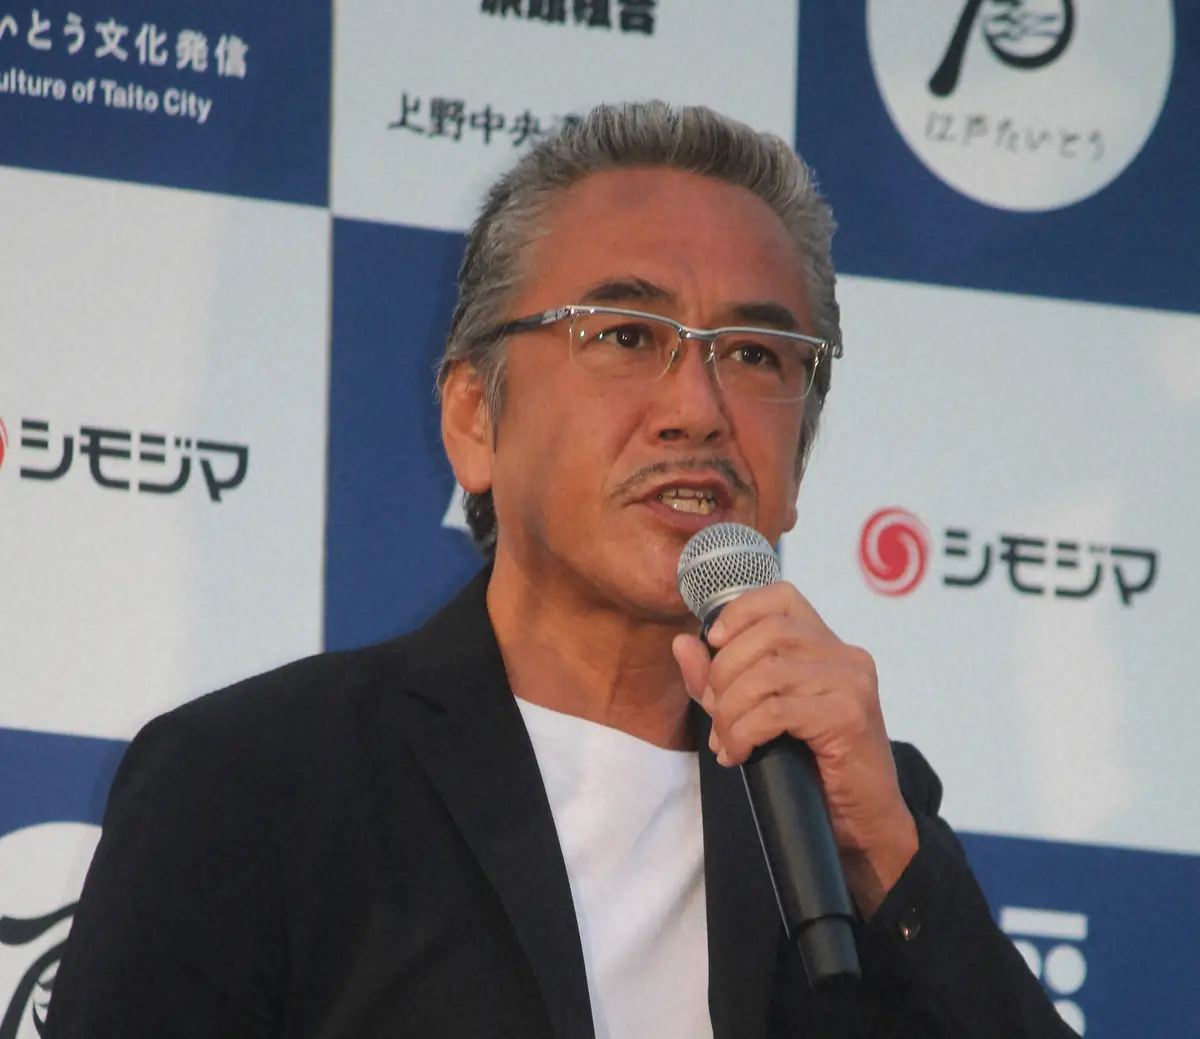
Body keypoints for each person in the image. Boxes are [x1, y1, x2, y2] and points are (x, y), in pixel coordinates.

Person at [45, 102, 1076, 1038]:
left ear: (798, 462)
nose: (699, 409)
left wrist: (889, 860)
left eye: (756, 354)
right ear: (474, 419)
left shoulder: (849, 811)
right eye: (626, 335)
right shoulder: (255, 783)